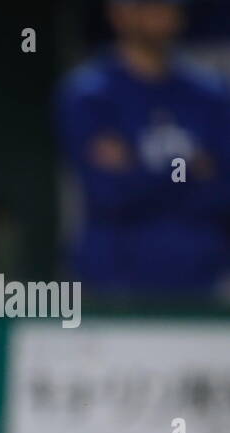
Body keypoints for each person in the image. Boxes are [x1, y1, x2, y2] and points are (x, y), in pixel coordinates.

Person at [58, 0, 230, 297]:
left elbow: (221, 191)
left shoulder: (212, 94)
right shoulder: (90, 94)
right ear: (119, 13)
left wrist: (137, 168)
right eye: (147, 6)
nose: (160, 14)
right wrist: (189, 169)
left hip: (201, 281)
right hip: (114, 283)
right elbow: (109, 192)